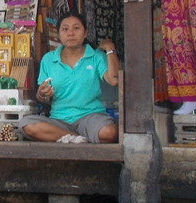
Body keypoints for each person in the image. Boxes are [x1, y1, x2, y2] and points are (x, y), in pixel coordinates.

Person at [18, 11, 121, 144]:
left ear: (85, 33)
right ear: (59, 34)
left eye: (76, 28)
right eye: (65, 29)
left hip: (90, 118)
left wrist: (110, 48)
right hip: (58, 121)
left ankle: (70, 138)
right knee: (27, 125)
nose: (70, 33)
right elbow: (42, 97)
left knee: (109, 132)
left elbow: (114, 80)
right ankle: (77, 137)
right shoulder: (49, 59)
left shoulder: (95, 56)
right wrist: (42, 93)